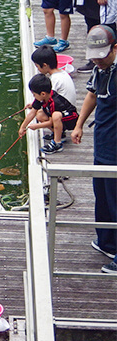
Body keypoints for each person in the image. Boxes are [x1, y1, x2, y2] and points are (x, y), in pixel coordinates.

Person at [71, 25, 117, 274]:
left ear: (115, 49)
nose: (98, 61)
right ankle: (107, 241)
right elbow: (91, 95)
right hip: (102, 144)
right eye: (94, 57)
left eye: (103, 56)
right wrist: (79, 125)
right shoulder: (101, 69)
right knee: (102, 195)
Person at [18, 74, 79, 154]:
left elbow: (51, 121)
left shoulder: (55, 102)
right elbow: (33, 112)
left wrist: (37, 126)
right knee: (40, 114)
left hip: (71, 120)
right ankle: (60, 135)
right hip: (60, 119)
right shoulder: (41, 98)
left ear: (43, 94)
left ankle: (57, 143)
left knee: (56, 116)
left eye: (34, 95)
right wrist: (23, 127)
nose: (34, 97)